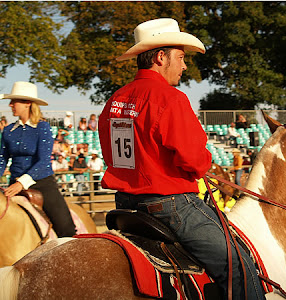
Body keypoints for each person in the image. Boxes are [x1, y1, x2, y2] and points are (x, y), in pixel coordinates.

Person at [98, 18, 264, 300]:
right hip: (170, 205)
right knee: (238, 264)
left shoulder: (116, 98)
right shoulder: (170, 98)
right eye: (182, 57)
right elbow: (196, 162)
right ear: (161, 57)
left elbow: (110, 151)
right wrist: (205, 158)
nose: (185, 66)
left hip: (125, 204)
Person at [0, 81, 76, 237]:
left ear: (27, 103)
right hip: (14, 185)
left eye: (14, 101)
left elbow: (43, 162)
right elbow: (1, 160)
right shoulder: (8, 131)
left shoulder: (43, 128)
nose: (10, 105)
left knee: (66, 229)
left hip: (42, 184)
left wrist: (22, 183)